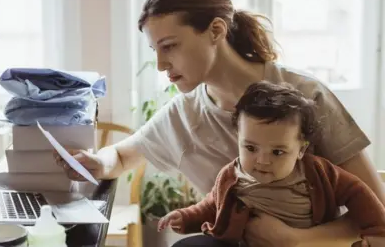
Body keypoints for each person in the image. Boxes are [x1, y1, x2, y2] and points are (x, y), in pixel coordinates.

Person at [54, 0, 385, 246]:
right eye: (155, 50)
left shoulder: (305, 96)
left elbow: (376, 207)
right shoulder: (184, 113)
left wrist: (296, 239)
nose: (160, 64)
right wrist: (96, 162)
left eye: (170, 46)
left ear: (216, 30)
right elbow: (123, 157)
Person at [156, 81, 385, 247]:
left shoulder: (316, 171)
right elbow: (211, 204)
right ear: (239, 140)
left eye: (277, 152)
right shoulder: (232, 174)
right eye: (250, 148)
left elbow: (358, 193)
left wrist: (377, 231)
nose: (262, 161)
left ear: (301, 149)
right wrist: (186, 217)